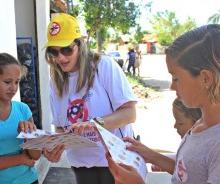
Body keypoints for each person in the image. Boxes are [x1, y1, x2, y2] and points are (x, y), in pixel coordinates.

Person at [106, 24, 220, 184]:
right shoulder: (202, 122)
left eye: (176, 78)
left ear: (205, 79)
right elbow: (189, 170)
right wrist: (149, 154)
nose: (172, 86)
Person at [42, 13, 138, 184]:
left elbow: (130, 114)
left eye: (66, 49)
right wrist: (56, 148)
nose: (61, 58)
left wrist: (95, 124)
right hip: (81, 166)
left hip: (115, 162)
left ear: (81, 44)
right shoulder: (55, 83)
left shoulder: (104, 67)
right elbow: (60, 127)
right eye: (53, 51)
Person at [0, 53, 64, 184]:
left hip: (28, 180)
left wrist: (29, 136)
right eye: (7, 82)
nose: (13, 88)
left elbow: (35, 156)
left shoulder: (23, 109)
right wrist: (21, 159)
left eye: (17, 82)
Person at [151, 98, 201, 172]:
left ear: (198, 122)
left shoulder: (203, 151)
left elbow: (186, 174)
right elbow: (181, 158)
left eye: (180, 122)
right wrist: (154, 157)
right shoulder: (190, 143)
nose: (175, 126)